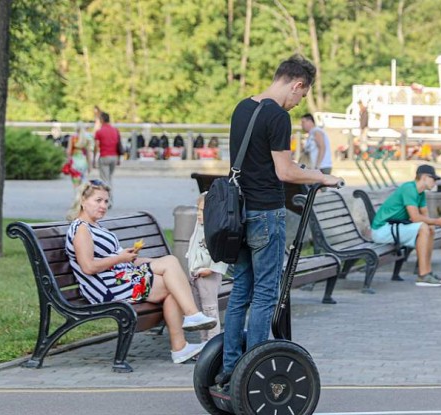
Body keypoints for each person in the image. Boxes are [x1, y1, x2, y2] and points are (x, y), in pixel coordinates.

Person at [217, 54, 342, 386]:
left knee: (241, 290)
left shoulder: (243, 107)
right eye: (301, 96)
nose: (297, 103)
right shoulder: (277, 117)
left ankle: (231, 367)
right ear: (296, 84)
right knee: (265, 294)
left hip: (240, 215)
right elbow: (284, 171)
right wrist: (319, 176)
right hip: (266, 215)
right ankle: (253, 374)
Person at [65, 180, 217, 364]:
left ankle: (181, 346)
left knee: (170, 267)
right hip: (108, 289)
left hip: (122, 278)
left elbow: (120, 258)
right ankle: (190, 319)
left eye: (106, 202)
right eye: (98, 200)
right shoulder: (81, 229)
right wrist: (120, 259)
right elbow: (88, 267)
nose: (103, 206)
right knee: (171, 280)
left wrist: (141, 259)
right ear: (83, 200)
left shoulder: (96, 227)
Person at [370, 165, 441, 287]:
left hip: (393, 228)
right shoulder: (409, 188)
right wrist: (437, 221)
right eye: (433, 179)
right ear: (424, 177)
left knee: (429, 228)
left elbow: (426, 216)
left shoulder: (421, 193)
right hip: (381, 230)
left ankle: (427, 272)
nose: (435, 182)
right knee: (423, 227)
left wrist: (434, 224)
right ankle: (422, 276)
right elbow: (415, 218)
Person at [186, 192, 227, 345]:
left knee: (210, 310)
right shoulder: (199, 225)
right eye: (197, 209)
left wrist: (212, 268)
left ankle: (212, 343)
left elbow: (223, 252)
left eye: (202, 211)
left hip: (208, 276)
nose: (198, 214)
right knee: (200, 312)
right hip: (196, 275)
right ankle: (204, 343)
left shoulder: (217, 229)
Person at [93, 112, 121, 187]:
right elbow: (118, 145)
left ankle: (107, 197)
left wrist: (94, 159)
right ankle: (110, 196)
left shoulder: (99, 132)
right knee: (109, 177)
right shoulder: (115, 130)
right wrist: (118, 158)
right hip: (114, 157)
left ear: (101, 120)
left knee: (104, 180)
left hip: (104, 156)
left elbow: (96, 146)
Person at [66, 123, 93, 189]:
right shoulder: (87, 138)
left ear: (76, 128)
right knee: (82, 184)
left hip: (74, 163)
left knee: (76, 184)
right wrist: (90, 166)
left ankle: (76, 197)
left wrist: (68, 160)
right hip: (84, 163)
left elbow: (68, 151)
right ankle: (81, 197)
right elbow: (88, 154)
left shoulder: (72, 138)